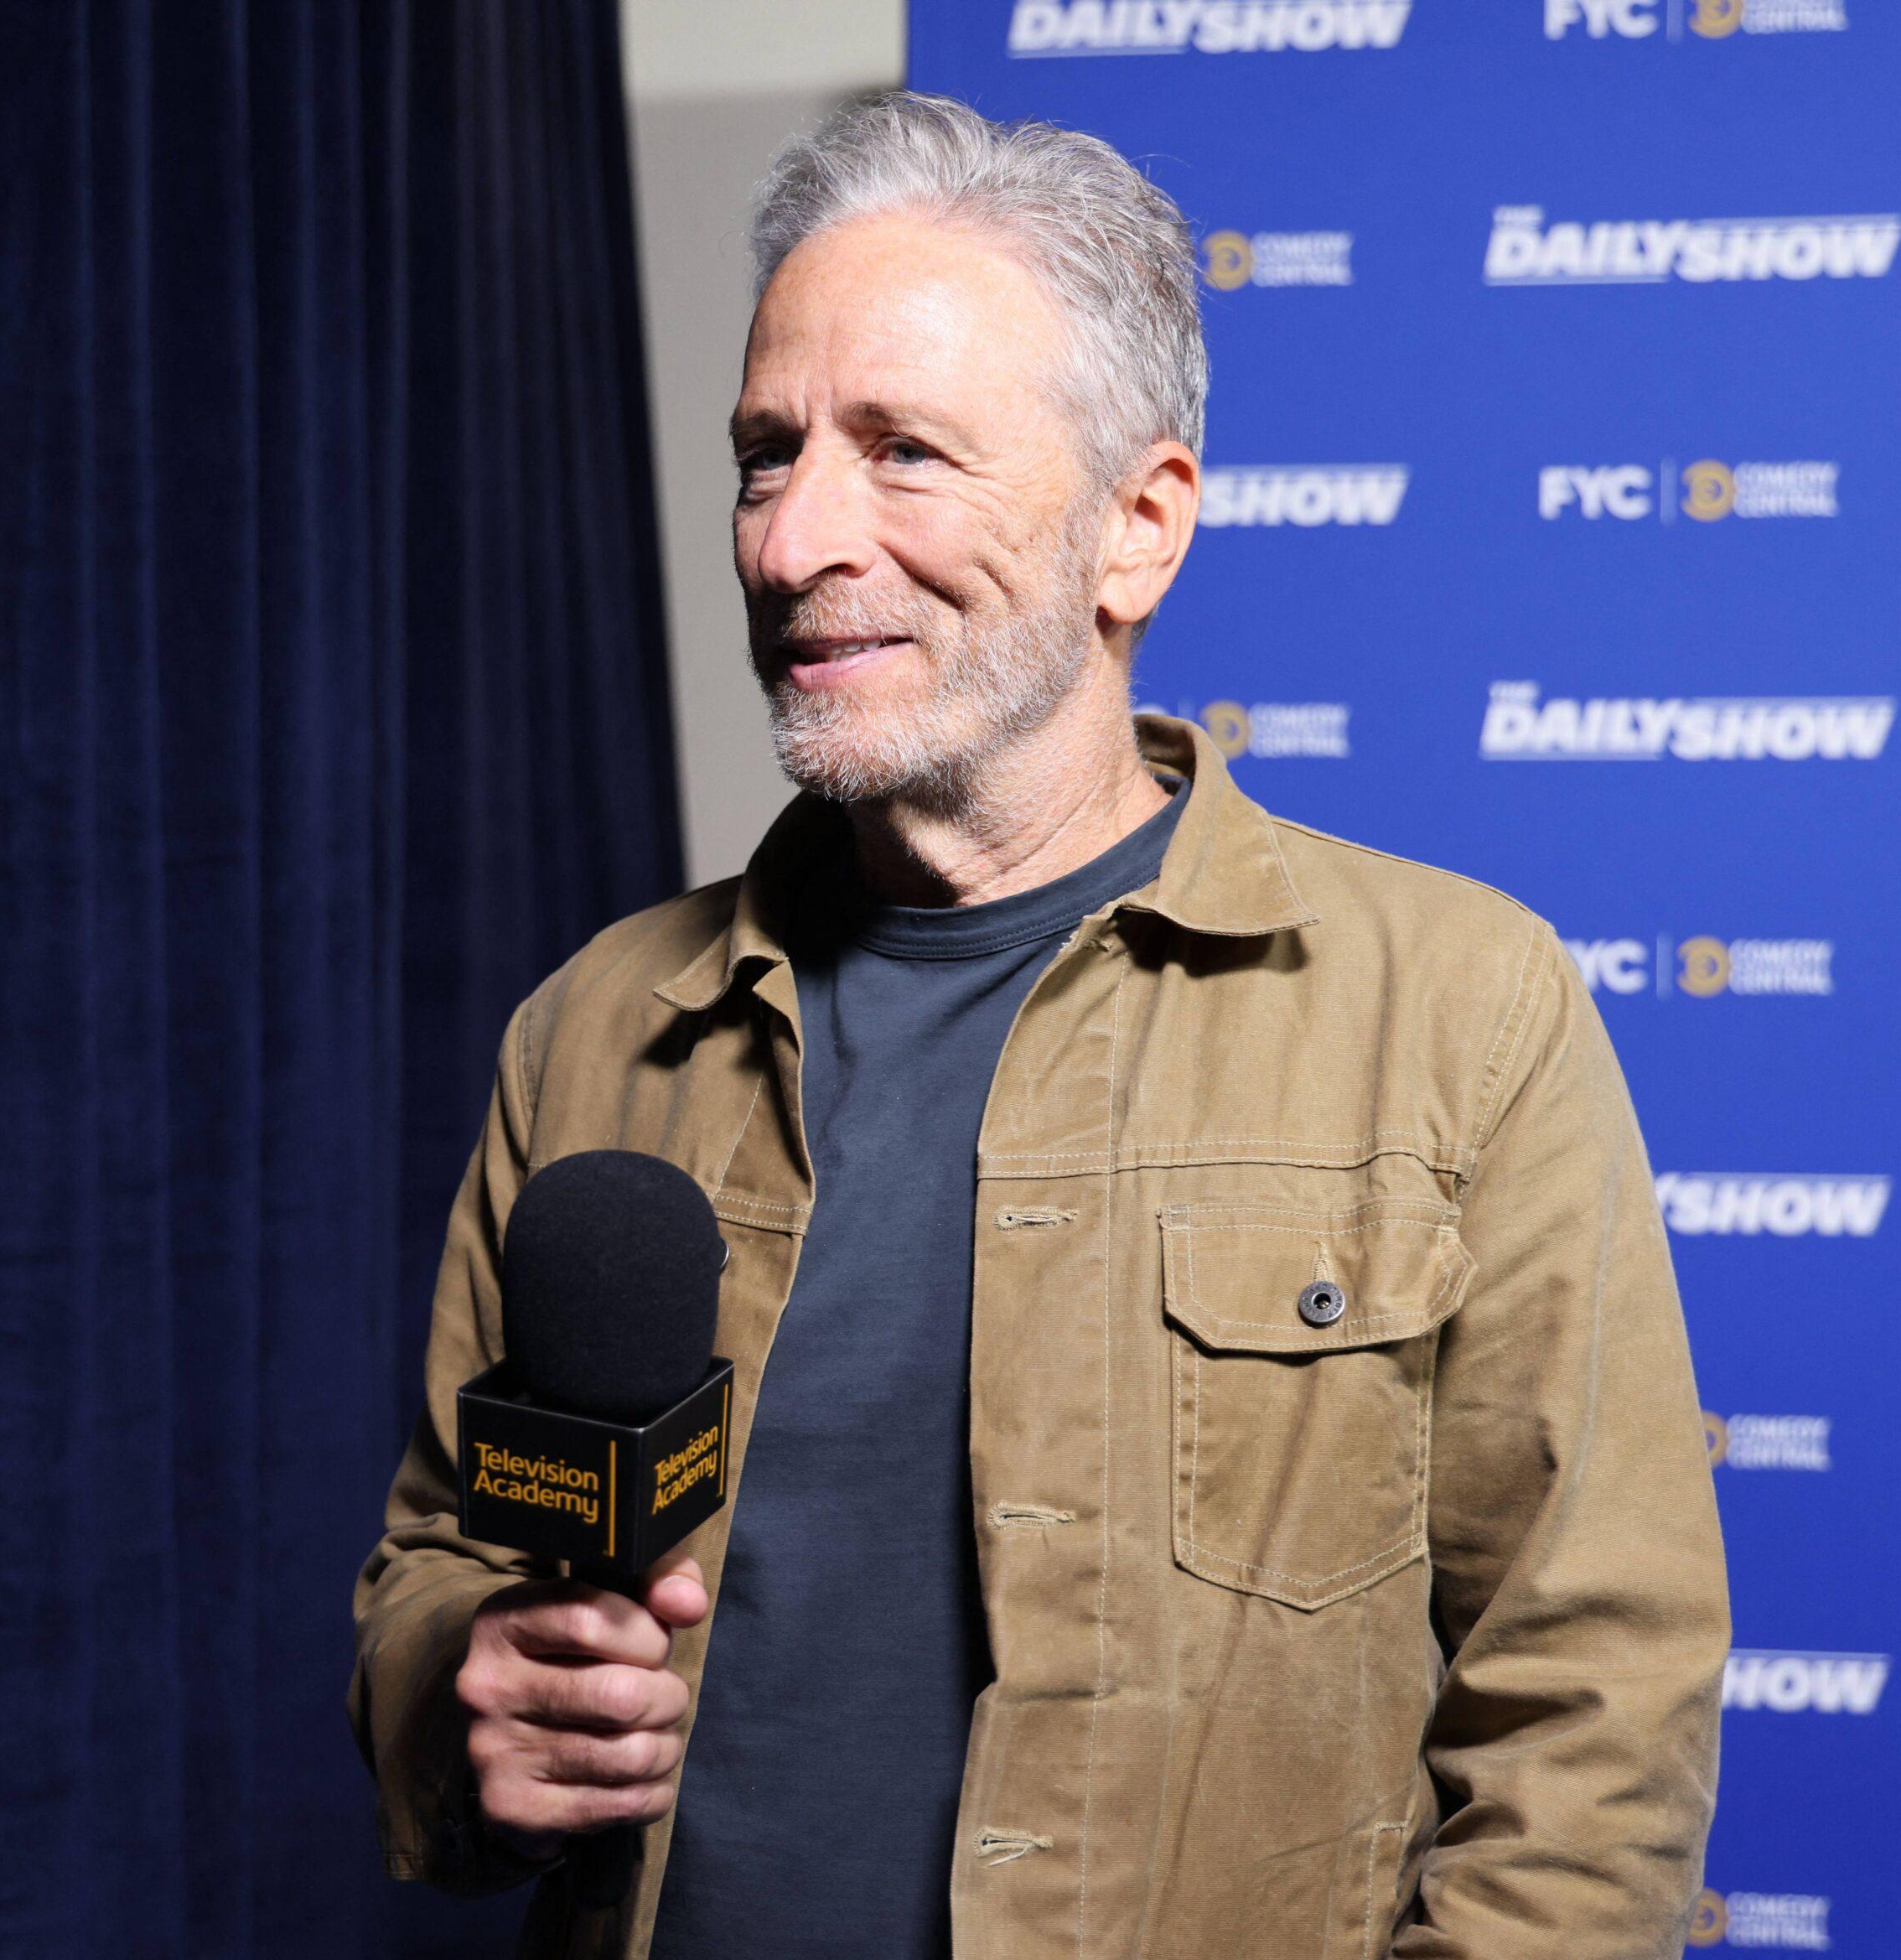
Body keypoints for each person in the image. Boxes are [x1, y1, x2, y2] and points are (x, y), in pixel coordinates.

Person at [350, 91, 1727, 1960]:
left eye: (901, 451)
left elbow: (1591, 1713)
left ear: (1134, 526)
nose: (791, 541)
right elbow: (437, 1566)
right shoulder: (597, 1026)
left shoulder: (1458, 1011)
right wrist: (463, 1687)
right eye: (766, 456)